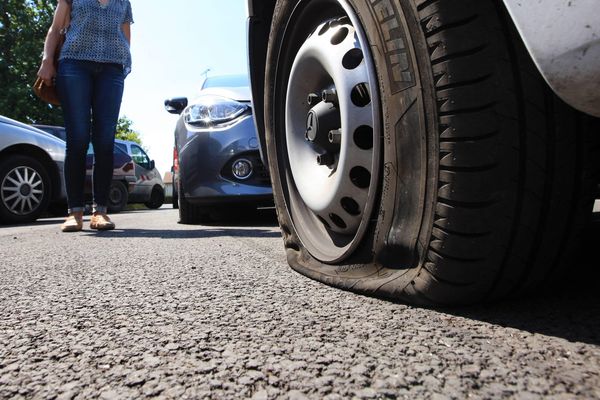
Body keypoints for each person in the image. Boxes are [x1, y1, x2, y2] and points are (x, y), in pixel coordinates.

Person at [37, 0, 133, 232]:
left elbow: (126, 37)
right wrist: (47, 60)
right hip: (74, 66)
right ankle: (74, 212)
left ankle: (100, 212)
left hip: (111, 70)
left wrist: (121, 65)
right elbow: (55, 28)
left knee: (105, 140)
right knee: (78, 138)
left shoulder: (124, 2)